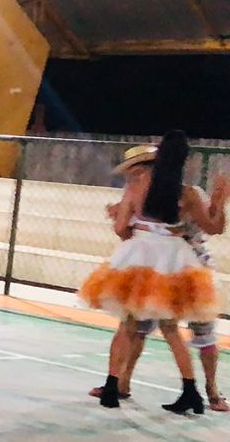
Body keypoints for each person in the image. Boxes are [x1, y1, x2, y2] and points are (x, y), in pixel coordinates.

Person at [82, 131, 220, 414]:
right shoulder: (188, 193)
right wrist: (220, 199)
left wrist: (134, 226)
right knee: (170, 329)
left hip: (141, 256)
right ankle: (191, 390)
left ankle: (112, 386)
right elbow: (212, 226)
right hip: (174, 258)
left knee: (128, 325)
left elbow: (121, 229)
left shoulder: (137, 189)